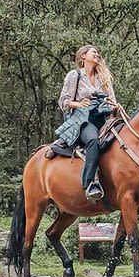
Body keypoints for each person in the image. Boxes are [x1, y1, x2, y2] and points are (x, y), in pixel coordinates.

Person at [55, 44, 118, 201]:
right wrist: (78, 104)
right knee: (93, 140)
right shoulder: (74, 75)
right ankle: (90, 184)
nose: (97, 55)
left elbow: (112, 101)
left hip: (104, 119)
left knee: (126, 137)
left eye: (98, 53)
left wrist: (116, 107)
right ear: (83, 56)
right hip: (83, 120)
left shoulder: (104, 78)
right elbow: (63, 101)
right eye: (94, 52)